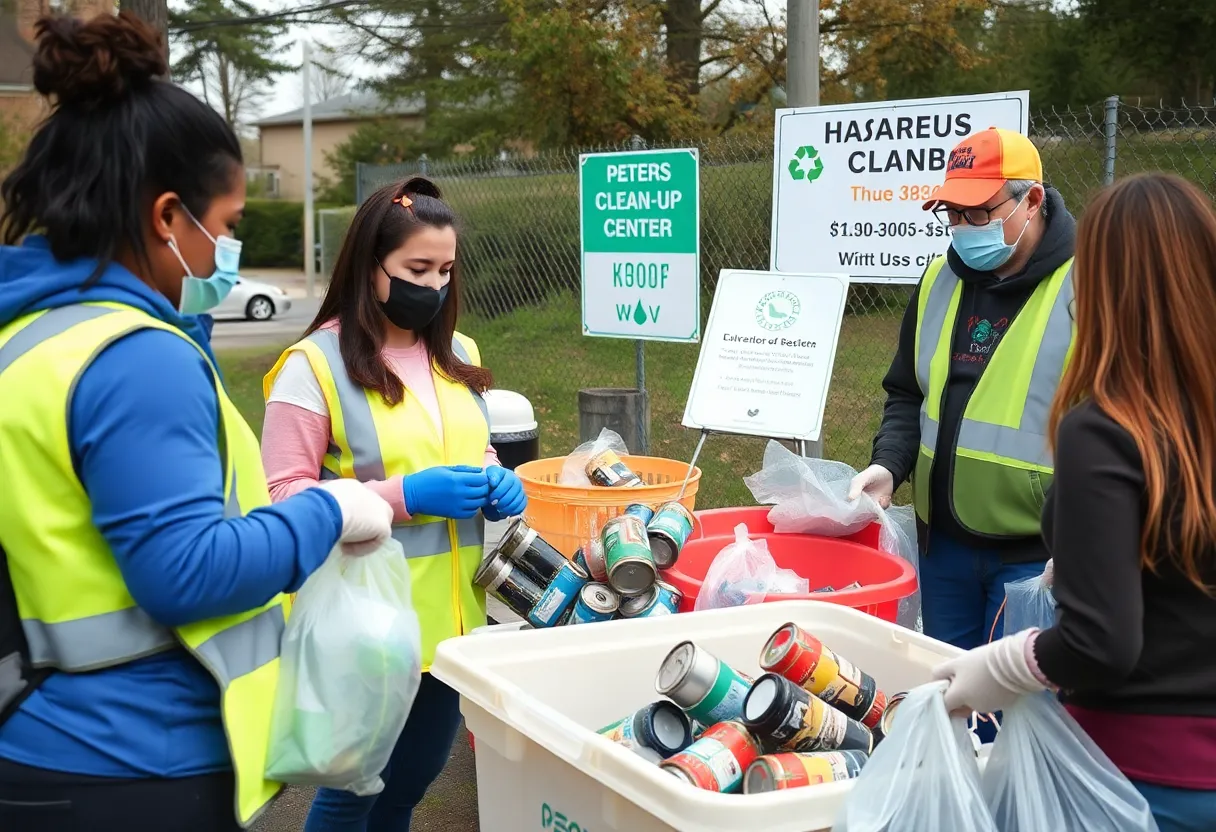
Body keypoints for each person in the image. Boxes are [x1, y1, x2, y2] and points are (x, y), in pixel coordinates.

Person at [0, 12, 395, 832]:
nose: (226, 250)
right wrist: (328, 510)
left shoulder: (24, 333)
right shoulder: (134, 356)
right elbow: (183, 570)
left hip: (37, 733)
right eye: (224, 226)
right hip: (131, 763)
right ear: (167, 216)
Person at [934, 173, 1216, 832]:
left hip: (1137, 779)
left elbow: (1102, 644)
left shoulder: (1109, 428)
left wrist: (1003, 664)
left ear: (1107, 283)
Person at [261, 177, 526, 831]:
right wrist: (402, 497)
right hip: (366, 625)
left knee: (408, 786)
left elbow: (472, 446)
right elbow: (281, 496)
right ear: (368, 266)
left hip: (452, 627)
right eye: (416, 269)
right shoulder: (313, 364)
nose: (433, 287)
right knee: (351, 795)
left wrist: (496, 478)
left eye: (445, 270)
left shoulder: (458, 352)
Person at [848, 129, 1076, 731]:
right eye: (953, 211)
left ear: (1033, 202)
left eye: (979, 210)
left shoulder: (1088, 288)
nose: (963, 225)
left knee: (1019, 724)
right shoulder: (938, 280)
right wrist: (888, 465)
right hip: (942, 548)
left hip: (1036, 559)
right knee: (947, 702)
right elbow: (907, 392)